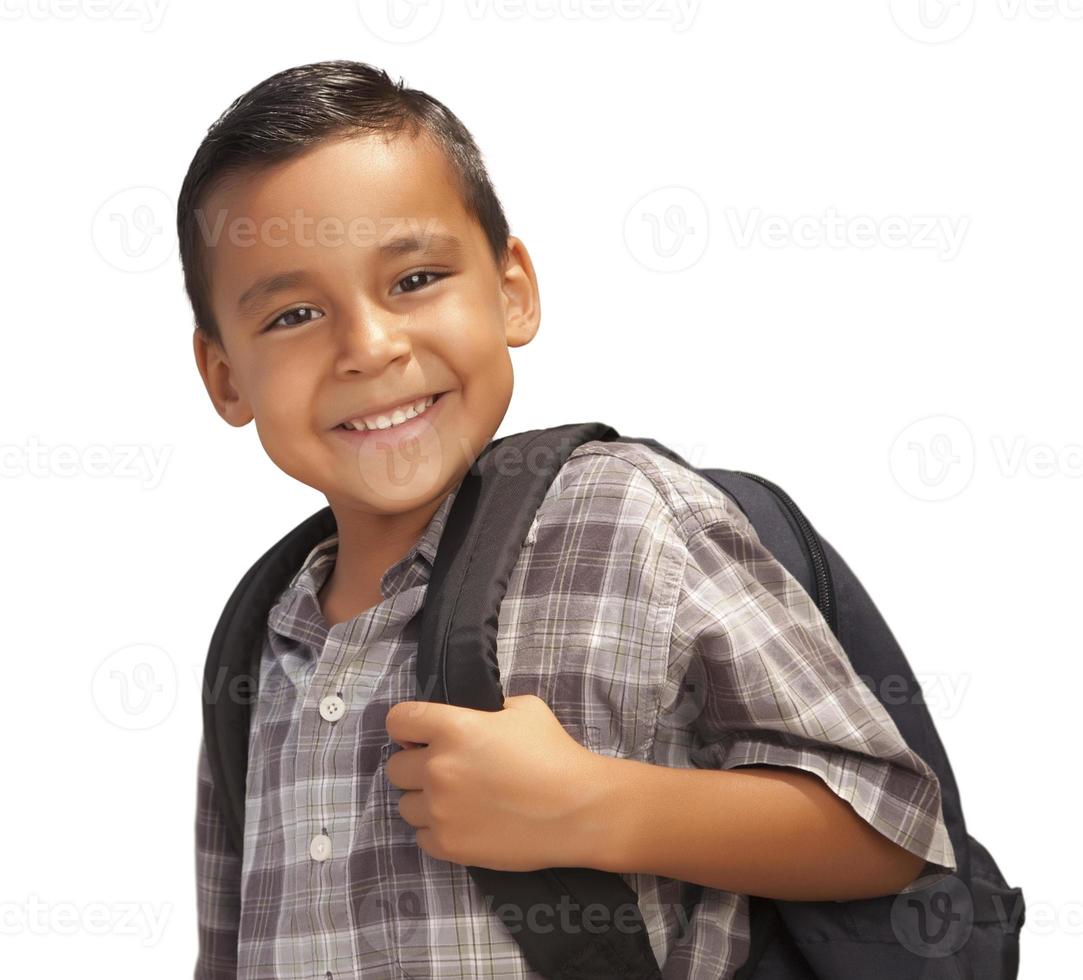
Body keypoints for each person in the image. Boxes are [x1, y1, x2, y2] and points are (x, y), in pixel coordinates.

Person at [180, 59, 956, 980]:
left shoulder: (627, 515)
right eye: (295, 313)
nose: (369, 347)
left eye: (416, 278)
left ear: (511, 289)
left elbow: (891, 825)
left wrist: (591, 805)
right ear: (224, 375)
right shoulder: (260, 634)